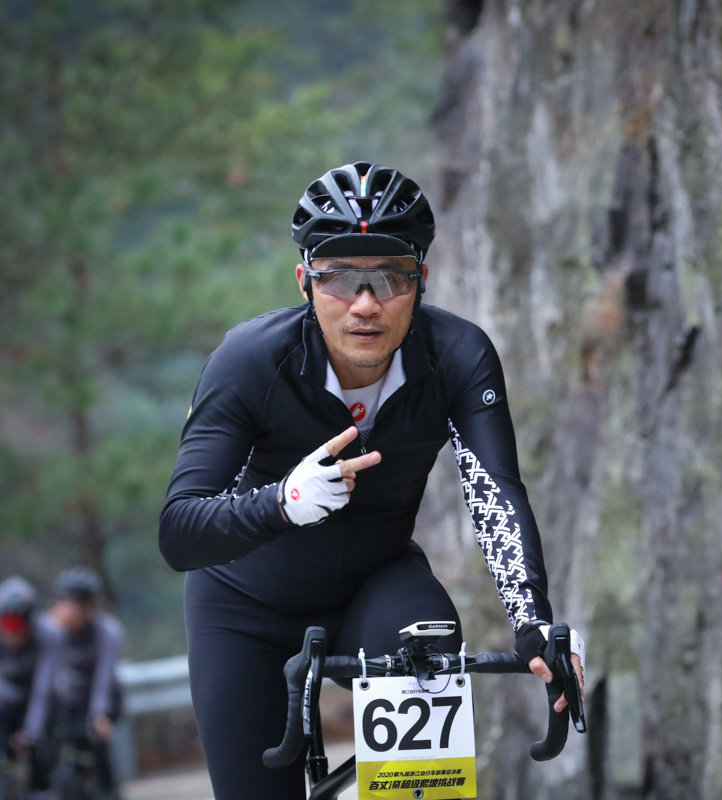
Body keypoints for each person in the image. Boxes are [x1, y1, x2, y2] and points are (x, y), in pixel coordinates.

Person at [159, 162, 584, 799]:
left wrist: (533, 624)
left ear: (421, 282)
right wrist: (282, 504)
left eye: (391, 277)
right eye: (339, 279)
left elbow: (493, 492)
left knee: (429, 654)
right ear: (304, 281)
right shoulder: (249, 361)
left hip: (375, 589)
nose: (366, 303)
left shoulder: (457, 356)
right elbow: (179, 531)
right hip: (243, 609)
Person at [46, 567, 124, 800]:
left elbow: (104, 677)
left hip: (102, 699)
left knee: (97, 748)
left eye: (82, 603)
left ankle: (108, 789)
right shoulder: (52, 630)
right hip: (67, 702)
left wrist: (99, 714)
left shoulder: (107, 630)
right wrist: (52, 628)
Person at [0, 576, 61, 800]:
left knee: (42, 740)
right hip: (7, 699)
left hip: (40, 700)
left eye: (18, 625)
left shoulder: (49, 634)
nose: (12, 632)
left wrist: (32, 730)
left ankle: (42, 787)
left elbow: (43, 688)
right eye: (8, 624)